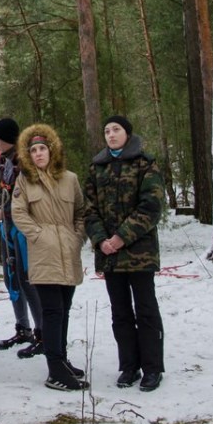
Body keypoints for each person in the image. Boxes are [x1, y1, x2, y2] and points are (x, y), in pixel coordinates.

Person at [84, 115, 166, 392]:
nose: (111, 134)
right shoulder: (97, 167)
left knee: (146, 310)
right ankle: (129, 366)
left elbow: (151, 207)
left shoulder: (145, 163)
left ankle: (152, 368)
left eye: (116, 129)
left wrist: (121, 237)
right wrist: (101, 240)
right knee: (120, 313)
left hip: (139, 253)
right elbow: (89, 209)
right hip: (110, 255)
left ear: (127, 134)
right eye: (107, 130)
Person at [11, 124, 89, 391]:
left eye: (42, 149)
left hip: (68, 252)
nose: (38, 154)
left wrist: (77, 238)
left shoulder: (70, 179)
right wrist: (39, 236)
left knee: (64, 309)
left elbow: (81, 212)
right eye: (33, 150)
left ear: (51, 150)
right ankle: (55, 370)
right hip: (43, 255)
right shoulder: (24, 181)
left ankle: (62, 360)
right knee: (52, 311)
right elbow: (18, 213)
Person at [0, 117, 44, 358]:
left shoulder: (25, 160)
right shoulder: (1, 159)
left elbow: (31, 195)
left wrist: (3, 211)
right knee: (12, 278)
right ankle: (23, 328)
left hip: (24, 228)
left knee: (27, 279)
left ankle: (42, 333)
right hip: (8, 226)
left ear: (8, 139)